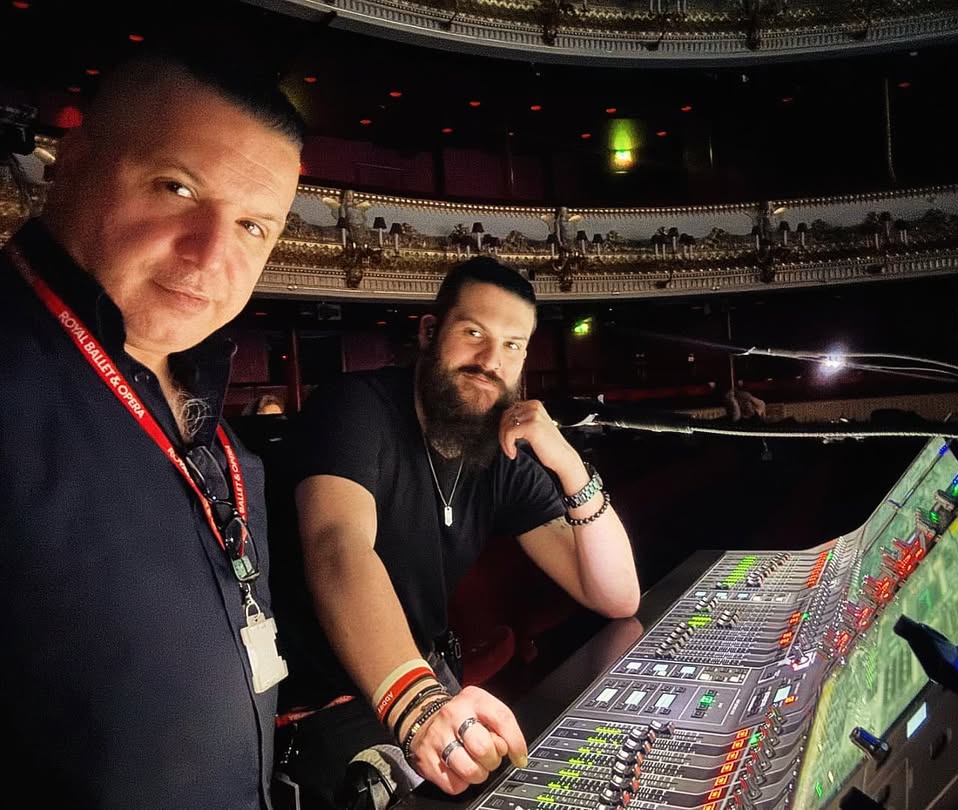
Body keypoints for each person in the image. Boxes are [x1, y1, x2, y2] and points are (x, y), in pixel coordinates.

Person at [0, 49, 303, 808]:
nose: (211, 254)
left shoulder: (218, 435)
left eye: (254, 226)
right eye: (177, 188)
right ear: (72, 163)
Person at [271, 257, 640, 808]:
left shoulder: (498, 449)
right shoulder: (355, 407)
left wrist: (568, 464)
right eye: (473, 333)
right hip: (324, 705)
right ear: (429, 332)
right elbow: (337, 546)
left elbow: (617, 595)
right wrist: (417, 704)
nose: (491, 361)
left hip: (428, 676)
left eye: (512, 345)